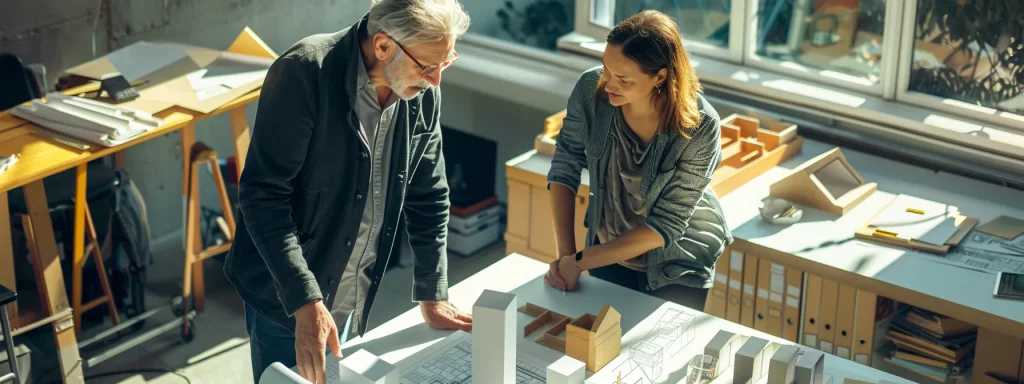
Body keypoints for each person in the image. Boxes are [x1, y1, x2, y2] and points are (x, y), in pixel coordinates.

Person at [222, 1, 473, 382]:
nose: (437, 79)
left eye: (446, 62)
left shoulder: (420, 91)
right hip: (287, 298)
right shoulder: (303, 73)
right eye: (427, 66)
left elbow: (429, 192)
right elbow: (263, 197)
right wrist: (306, 302)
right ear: (384, 46)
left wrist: (432, 289)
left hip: (352, 288)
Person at [544, 10, 733, 311]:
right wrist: (566, 256)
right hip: (608, 247)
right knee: (602, 345)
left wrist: (580, 262)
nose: (607, 83)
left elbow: (666, 225)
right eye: (606, 68)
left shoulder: (701, 125)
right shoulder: (590, 90)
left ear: (660, 76)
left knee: (662, 354)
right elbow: (565, 164)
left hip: (677, 261)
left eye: (623, 79)